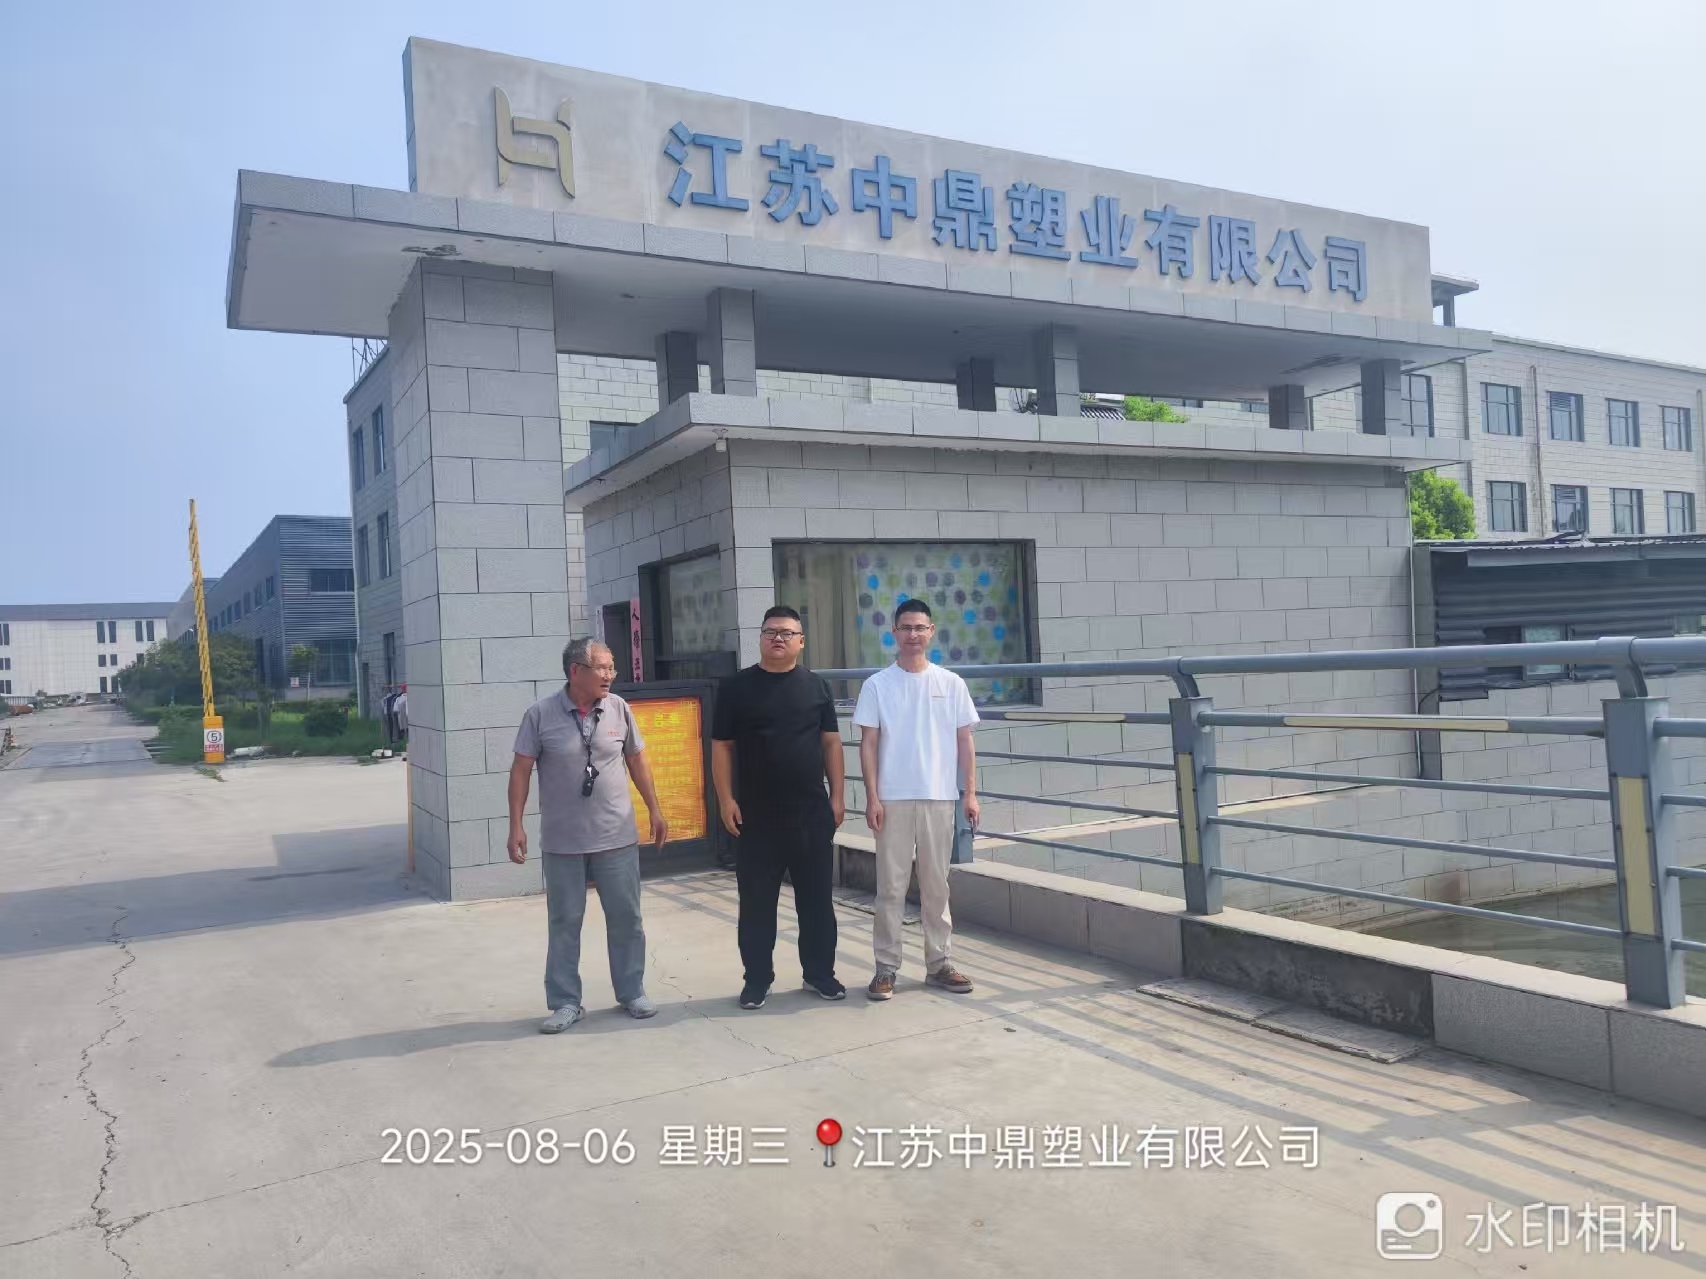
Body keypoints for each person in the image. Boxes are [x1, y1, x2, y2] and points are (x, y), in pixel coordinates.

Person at [508, 638, 668, 1033]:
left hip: (616, 836)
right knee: (564, 922)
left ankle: (631, 992)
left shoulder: (619, 708)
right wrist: (516, 825)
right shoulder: (540, 715)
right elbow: (521, 770)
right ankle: (565, 1002)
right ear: (575, 671)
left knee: (627, 918)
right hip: (563, 841)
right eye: (603, 668)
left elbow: (637, 760)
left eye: (612, 667)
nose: (610, 675)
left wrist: (654, 808)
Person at [712, 606, 847, 1010]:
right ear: (760, 638)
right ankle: (757, 979)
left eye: (787, 633)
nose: (778, 638)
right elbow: (721, 747)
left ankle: (819, 974)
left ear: (801, 642)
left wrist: (838, 796)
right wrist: (726, 799)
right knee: (756, 903)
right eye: (771, 631)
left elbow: (831, 743)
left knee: (817, 901)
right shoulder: (735, 688)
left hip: (810, 813)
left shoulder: (817, 686)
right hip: (755, 816)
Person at [853, 598, 980, 1000]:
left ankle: (939, 963)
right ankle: (886, 967)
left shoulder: (951, 683)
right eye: (906, 627)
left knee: (936, 886)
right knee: (890, 887)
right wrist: (872, 797)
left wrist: (970, 793)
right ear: (894, 633)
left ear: (931, 632)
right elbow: (868, 744)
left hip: (939, 796)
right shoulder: (877, 685)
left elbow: (965, 741)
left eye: (920, 627)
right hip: (892, 799)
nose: (913, 634)